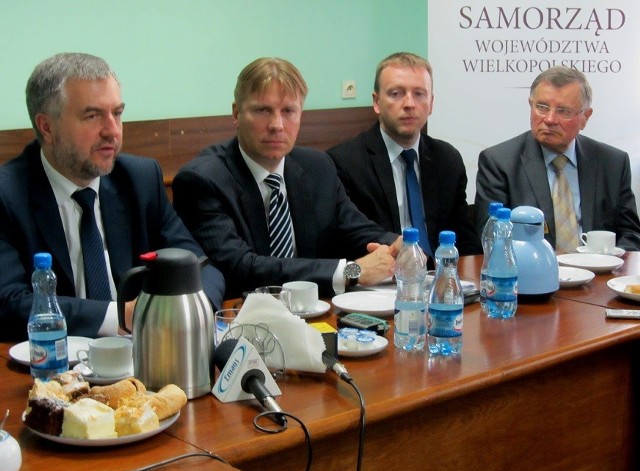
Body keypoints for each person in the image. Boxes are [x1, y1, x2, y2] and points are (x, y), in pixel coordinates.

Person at [0, 52, 225, 341]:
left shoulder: (139, 179)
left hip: (144, 358)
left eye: (117, 113)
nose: (112, 131)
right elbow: (9, 303)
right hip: (52, 367)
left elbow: (200, 266)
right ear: (47, 127)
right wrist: (123, 315)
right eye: (92, 116)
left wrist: (194, 312)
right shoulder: (8, 194)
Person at [172, 57, 400, 299]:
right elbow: (242, 268)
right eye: (263, 110)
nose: (277, 125)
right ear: (236, 114)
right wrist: (351, 271)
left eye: (288, 111)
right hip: (242, 318)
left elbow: (357, 229)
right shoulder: (202, 180)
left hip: (316, 313)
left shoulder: (317, 166)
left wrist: (398, 246)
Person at [327, 52, 481, 260]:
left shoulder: (448, 159)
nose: (409, 104)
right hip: (380, 283)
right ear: (377, 102)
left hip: (442, 281)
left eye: (419, 94)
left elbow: (465, 239)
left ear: (431, 103)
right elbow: (351, 239)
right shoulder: (344, 163)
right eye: (396, 93)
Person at [475, 65, 640, 252]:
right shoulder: (499, 163)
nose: (550, 119)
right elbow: (491, 240)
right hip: (530, 275)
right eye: (542, 107)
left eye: (563, 111)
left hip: (598, 276)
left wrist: (607, 263)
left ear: (586, 117)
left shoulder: (613, 164)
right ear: (530, 105)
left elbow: (631, 236)